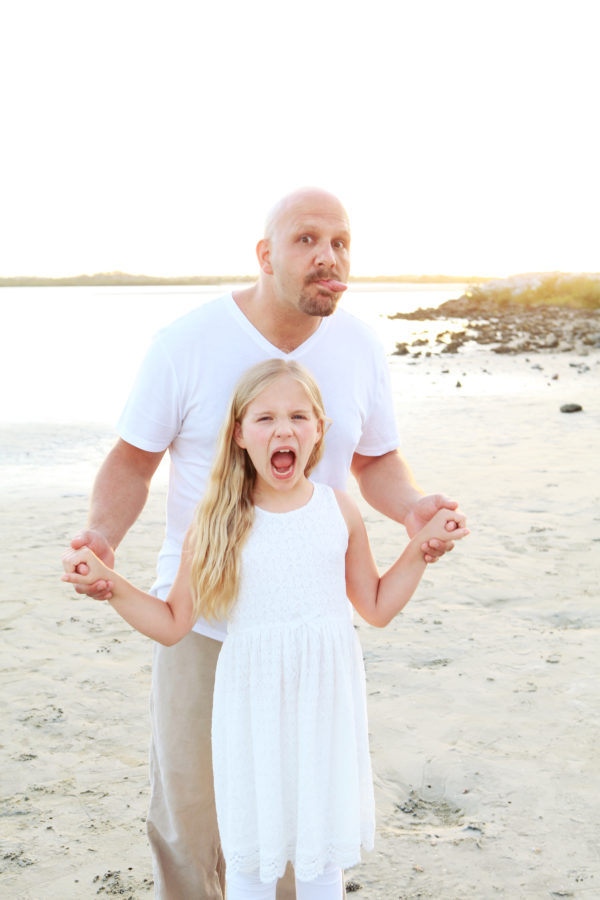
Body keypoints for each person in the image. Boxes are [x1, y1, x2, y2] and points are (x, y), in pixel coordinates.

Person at [68, 187, 464, 899]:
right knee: (192, 821)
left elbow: (375, 461)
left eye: (341, 242)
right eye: (307, 240)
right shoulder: (186, 343)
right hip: (205, 619)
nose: (328, 256)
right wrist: (101, 537)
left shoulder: (359, 346)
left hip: (303, 630)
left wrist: (413, 511)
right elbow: (132, 461)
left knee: (293, 825)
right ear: (265, 254)